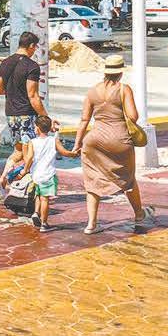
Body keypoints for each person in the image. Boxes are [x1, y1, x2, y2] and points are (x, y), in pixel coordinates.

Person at [63, 55, 149, 234]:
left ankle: (91, 224)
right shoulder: (124, 89)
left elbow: (84, 120)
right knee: (128, 179)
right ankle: (139, 214)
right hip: (119, 140)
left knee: (92, 181)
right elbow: (133, 117)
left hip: (93, 141)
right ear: (120, 72)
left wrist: (77, 144)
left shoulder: (92, 91)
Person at [2, 114, 62, 231]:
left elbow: (29, 158)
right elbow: (61, 150)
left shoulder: (32, 141)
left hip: (36, 174)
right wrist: (73, 153)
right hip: (47, 174)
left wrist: (24, 170)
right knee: (45, 198)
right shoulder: (48, 140)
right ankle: (44, 224)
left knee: (38, 195)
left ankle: (36, 213)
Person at [0, 32, 45, 158]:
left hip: (11, 114)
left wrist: (12, 91)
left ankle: (6, 171)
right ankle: (27, 171)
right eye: (35, 47)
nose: (35, 50)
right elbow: (33, 96)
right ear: (31, 45)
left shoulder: (5, 62)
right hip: (27, 114)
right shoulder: (32, 66)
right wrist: (45, 116)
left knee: (18, 151)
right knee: (30, 152)